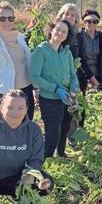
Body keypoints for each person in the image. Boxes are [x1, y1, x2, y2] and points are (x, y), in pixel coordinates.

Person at [30, 20, 79, 158]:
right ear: (51, 30)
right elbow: (34, 77)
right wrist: (55, 89)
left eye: (64, 31)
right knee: (53, 134)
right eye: (58, 29)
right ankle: (46, 161)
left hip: (67, 98)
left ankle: (61, 155)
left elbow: (72, 73)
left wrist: (74, 86)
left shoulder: (66, 52)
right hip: (50, 99)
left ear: (67, 35)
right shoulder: (41, 50)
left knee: (64, 129)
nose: (60, 33)